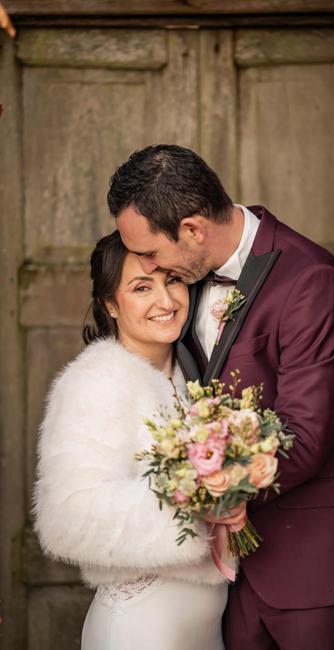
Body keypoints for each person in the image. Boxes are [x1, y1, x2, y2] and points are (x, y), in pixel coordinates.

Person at [110, 144, 334, 650]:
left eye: (150, 252)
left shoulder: (311, 280)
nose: (146, 265)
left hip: (318, 569)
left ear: (193, 230)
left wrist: (205, 492)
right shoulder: (183, 282)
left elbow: (305, 435)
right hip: (227, 581)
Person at [33, 229, 241, 650]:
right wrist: (192, 502)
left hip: (208, 628)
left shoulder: (196, 375)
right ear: (110, 303)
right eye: (142, 287)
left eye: (173, 280)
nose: (165, 301)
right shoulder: (96, 382)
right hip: (142, 626)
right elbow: (65, 517)